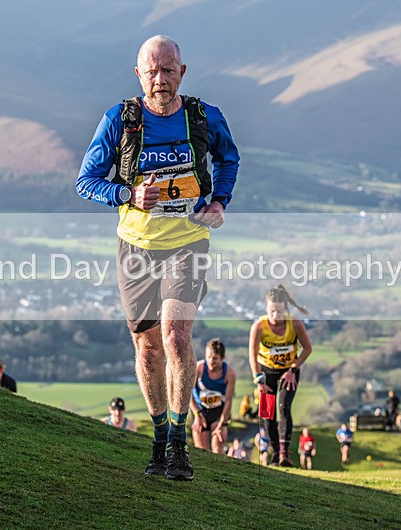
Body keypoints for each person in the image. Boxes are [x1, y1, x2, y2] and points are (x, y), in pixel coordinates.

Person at [77, 35, 240, 481]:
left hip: (187, 243)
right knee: (148, 351)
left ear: (182, 73)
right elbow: (86, 181)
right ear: (138, 74)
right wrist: (128, 192)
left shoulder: (204, 117)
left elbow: (229, 159)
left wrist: (219, 201)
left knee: (175, 336)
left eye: (168, 70)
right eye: (152, 70)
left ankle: (180, 443)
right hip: (135, 248)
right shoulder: (120, 120)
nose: (160, 79)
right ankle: (158, 436)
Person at [248, 285, 313, 467]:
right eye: (271, 311)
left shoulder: (295, 324)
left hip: (288, 372)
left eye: (279, 312)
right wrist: (259, 380)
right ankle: (275, 453)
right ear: (266, 308)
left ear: (286, 309)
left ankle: (285, 454)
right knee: (267, 413)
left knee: (284, 408)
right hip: (266, 372)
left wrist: (293, 369)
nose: (275, 316)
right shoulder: (259, 326)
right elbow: (252, 355)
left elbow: (307, 349)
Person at [190, 338, 237, 454]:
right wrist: (197, 414)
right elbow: (187, 394)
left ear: (222, 358)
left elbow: (228, 401)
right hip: (200, 411)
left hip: (218, 412)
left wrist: (223, 423)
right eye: (208, 357)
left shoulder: (229, 374)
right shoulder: (199, 369)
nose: (211, 361)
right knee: (201, 451)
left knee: (217, 450)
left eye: (215, 358)